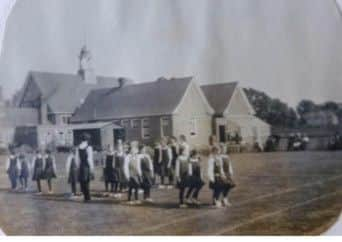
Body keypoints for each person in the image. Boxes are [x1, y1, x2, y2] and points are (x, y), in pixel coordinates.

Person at [76, 133, 95, 202]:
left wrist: (78, 167)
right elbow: (90, 158)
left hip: (81, 165)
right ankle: (88, 197)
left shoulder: (78, 147)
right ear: (87, 139)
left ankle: (85, 196)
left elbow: (77, 159)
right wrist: (92, 168)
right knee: (87, 181)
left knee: (82, 182)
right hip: (87, 165)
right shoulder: (89, 147)